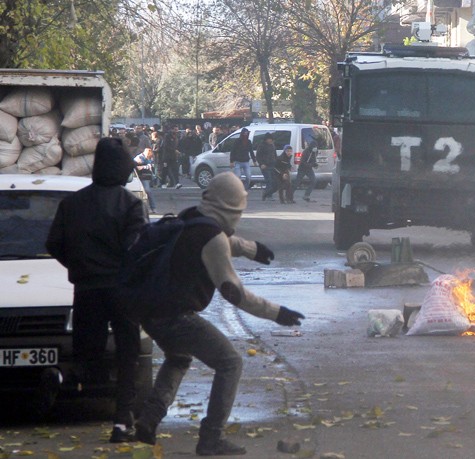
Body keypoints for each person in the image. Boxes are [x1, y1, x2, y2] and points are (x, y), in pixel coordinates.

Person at [133, 172, 304, 456]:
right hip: (175, 316)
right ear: (233, 208)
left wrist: (251, 250)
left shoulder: (191, 216)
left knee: (178, 358)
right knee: (230, 363)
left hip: (150, 310)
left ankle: (147, 422)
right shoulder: (212, 237)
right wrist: (277, 313)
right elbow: (235, 293)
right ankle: (211, 437)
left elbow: (222, 238)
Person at [46, 137, 147, 443]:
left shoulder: (72, 203)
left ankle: (63, 376)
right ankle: (121, 423)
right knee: (127, 356)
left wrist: (79, 266)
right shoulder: (131, 205)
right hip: (122, 291)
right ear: (123, 169)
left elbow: (53, 244)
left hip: (86, 289)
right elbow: (137, 250)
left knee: (88, 354)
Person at [256, 132, 278, 201]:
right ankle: (268, 195)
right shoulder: (261, 145)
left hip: (273, 165)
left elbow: (275, 154)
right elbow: (258, 156)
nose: (270, 140)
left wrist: (276, 162)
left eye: (271, 139)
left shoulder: (272, 145)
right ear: (266, 139)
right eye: (269, 139)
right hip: (265, 166)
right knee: (269, 181)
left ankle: (267, 193)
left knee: (275, 182)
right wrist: (261, 163)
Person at [134, 147, 157, 213]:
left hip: (147, 177)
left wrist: (147, 166)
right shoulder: (139, 157)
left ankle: (152, 208)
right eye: (148, 155)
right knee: (147, 191)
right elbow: (138, 167)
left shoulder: (148, 158)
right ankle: (151, 208)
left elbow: (151, 165)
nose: (149, 157)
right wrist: (146, 166)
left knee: (147, 191)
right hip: (142, 176)